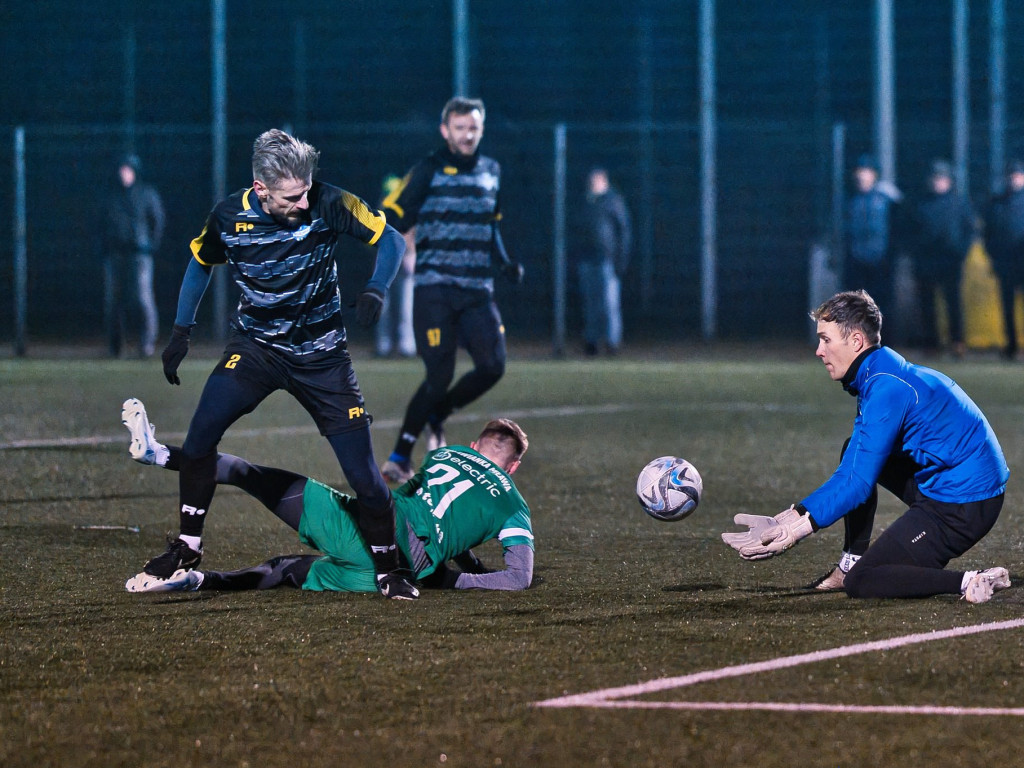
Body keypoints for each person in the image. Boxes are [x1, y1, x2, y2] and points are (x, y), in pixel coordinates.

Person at [133, 128, 419, 600]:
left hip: (322, 356)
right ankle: (186, 547)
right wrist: (182, 330)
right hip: (257, 350)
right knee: (201, 437)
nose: (304, 203)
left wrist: (377, 287)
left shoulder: (329, 202)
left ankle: (389, 568)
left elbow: (389, 239)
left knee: (365, 476)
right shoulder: (228, 216)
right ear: (260, 189)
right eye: (291, 196)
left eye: (306, 191)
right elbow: (200, 261)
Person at [722, 290, 1010, 603]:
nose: (819, 351)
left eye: (826, 340)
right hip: (955, 484)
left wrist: (795, 529)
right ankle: (850, 563)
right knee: (852, 451)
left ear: (857, 341)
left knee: (865, 581)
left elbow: (857, 484)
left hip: (964, 505)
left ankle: (970, 581)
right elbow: (855, 466)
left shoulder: (886, 387)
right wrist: (791, 517)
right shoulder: (878, 373)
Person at [121, 398, 533, 594]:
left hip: (372, 532)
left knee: (250, 475)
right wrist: (458, 578)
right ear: (512, 467)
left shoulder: (448, 453)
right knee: (285, 571)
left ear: (476, 445)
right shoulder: (514, 505)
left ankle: (158, 455)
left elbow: (421, 501)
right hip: (401, 573)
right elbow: (518, 578)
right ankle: (194, 582)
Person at [378, 97, 524, 484]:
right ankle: (399, 456)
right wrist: (378, 230)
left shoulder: (492, 171)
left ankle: (438, 414)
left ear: (481, 128)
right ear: (446, 131)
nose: (466, 135)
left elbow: (492, 224)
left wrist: (504, 261)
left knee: (493, 365)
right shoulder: (428, 169)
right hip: (435, 290)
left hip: (478, 290)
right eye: (459, 128)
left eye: (473, 128)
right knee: (439, 373)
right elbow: (394, 211)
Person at [101, 153, 166, 358]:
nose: (124, 174)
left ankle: (146, 344)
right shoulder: (111, 196)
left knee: (142, 298)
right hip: (116, 253)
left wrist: (150, 245)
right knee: (114, 300)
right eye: (122, 170)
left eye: (127, 170)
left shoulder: (146, 194)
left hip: (139, 254)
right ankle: (115, 347)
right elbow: (101, 224)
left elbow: (158, 220)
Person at [909, 159, 975, 355]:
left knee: (953, 302)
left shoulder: (959, 202)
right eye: (935, 178)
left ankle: (957, 342)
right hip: (926, 261)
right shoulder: (920, 203)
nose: (938, 182)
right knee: (927, 304)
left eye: (942, 178)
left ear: (949, 181)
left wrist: (961, 252)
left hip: (950, 261)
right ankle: (931, 343)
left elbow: (969, 230)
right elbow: (910, 231)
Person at [575, 167, 632, 356]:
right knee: (591, 303)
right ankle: (592, 342)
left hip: (606, 259)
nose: (592, 184)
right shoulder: (586, 202)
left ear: (604, 182)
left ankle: (612, 342)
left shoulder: (612, 201)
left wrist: (620, 259)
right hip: (587, 258)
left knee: (609, 303)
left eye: (596, 181)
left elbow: (623, 231)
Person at [843, 154, 900, 315]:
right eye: (859, 171)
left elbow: (898, 226)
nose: (861, 175)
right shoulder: (850, 200)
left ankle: (883, 339)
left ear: (874, 174)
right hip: (856, 260)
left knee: (882, 305)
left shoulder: (887, 199)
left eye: (866, 171)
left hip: (881, 261)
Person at [983, 158, 1024, 361]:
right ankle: (1011, 346)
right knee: (1007, 307)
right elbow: (989, 234)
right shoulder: (997, 202)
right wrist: (995, 257)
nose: (1014, 180)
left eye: (1018, 175)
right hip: (1006, 263)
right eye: (1012, 176)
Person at [374, 175, 416, 358]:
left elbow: (411, 234)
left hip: (406, 258)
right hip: (386, 259)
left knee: (406, 306)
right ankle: (384, 345)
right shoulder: (380, 211)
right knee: (383, 305)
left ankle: (407, 346)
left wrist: (410, 254)